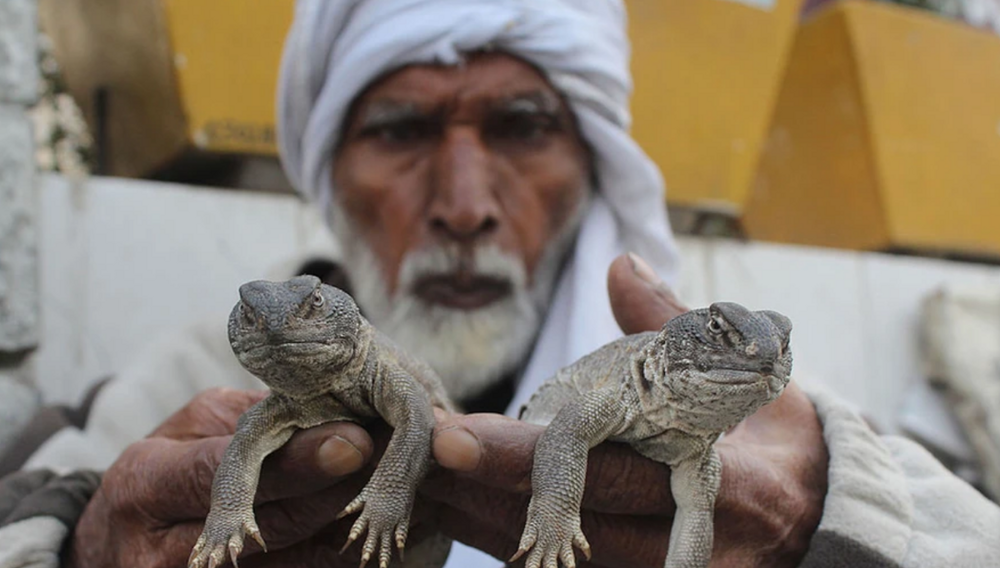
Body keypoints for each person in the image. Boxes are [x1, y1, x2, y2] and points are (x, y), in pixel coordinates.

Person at [1, 1, 997, 567]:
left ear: (591, 162)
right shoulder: (171, 391)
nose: (465, 204)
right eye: (400, 131)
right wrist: (83, 545)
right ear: (329, 172)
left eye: (522, 127)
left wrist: (841, 526)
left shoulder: (755, 410)